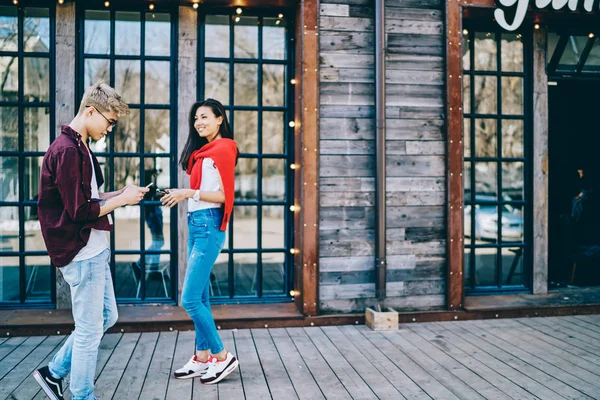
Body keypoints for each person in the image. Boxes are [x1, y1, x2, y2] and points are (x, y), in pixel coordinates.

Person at [33, 82, 149, 400]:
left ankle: (53, 372)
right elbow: (82, 211)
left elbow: (91, 198)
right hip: (82, 252)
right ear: (90, 111)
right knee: (89, 330)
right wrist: (122, 200)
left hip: (94, 249)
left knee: (106, 317)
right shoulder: (68, 150)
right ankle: (82, 395)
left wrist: (124, 194)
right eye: (109, 122)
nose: (110, 129)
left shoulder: (80, 147)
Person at [160, 98, 239, 384]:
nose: (199, 122)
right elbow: (199, 190)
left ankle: (221, 356)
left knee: (190, 299)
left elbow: (225, 197)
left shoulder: (225, 148)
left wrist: (187, 193)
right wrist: (182, 193)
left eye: (205, 117)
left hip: (208, 225)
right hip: (196, 224)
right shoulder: (202, 152)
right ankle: (202, 356)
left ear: (220, 119)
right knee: (201, 297)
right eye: (195, 118)